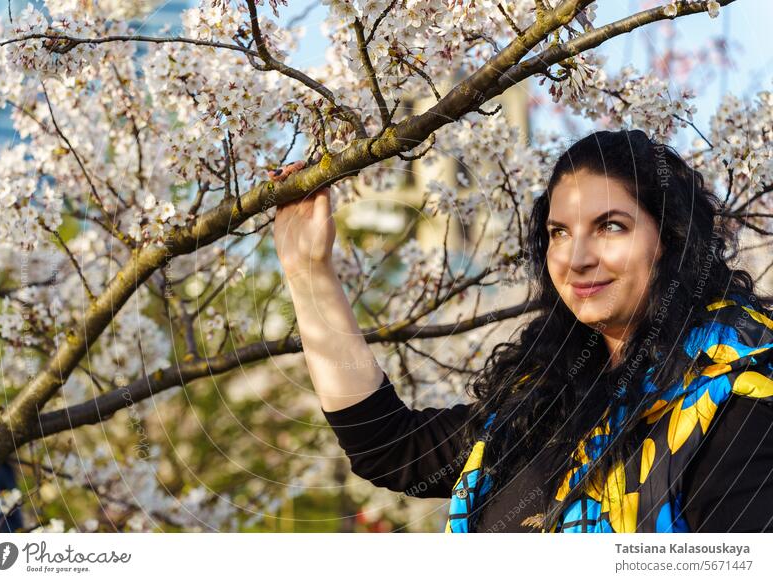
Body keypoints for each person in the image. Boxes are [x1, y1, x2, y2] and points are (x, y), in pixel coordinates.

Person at [271, 129, 773, 533]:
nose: (577, 258)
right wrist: (308, 270)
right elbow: (389, 448)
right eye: (559, 233)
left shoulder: (739, 397)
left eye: (611, 226)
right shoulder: (547, 396)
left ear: (670, 239)